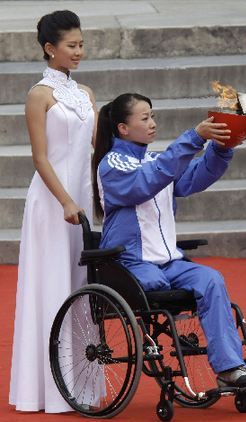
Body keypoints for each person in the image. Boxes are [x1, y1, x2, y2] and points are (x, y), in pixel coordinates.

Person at [92, 92, 246, 388]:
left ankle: (230, 369)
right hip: (130, 263)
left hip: (169, 262)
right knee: (155, 283)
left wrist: (221, 148)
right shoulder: (112, 164)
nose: (153, 123)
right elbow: (148, 181)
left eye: (153, 116)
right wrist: (194, 137)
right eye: (145, 118)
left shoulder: (157, 159)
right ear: (123, 128)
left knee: (212, 280)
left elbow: (193, 176)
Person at [9, 10, 97, 412]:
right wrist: (64, 200)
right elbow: (41, 159)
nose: (79, 51)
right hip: (52, 202)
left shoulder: (88, 94)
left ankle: (83, 384)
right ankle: (44, 390)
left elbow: (95, 151)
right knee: (52, 284)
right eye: (71, 45)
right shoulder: (39, 95)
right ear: (50, 48)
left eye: (81, 44)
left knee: (81, 284)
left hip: (82, 199)